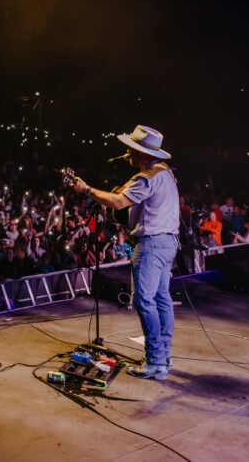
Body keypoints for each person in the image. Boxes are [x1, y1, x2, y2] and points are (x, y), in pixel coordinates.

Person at [69, 124, 180, 381]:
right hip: (168, 242)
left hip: (151, 244)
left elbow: (119, 203)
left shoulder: (146, 177)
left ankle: (155, 362)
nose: (126, 153)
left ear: (138, 152)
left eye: (130, 149)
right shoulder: (165, 173)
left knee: (144, 300)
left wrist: (86, 189)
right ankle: (164, 355)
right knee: (162, 298)